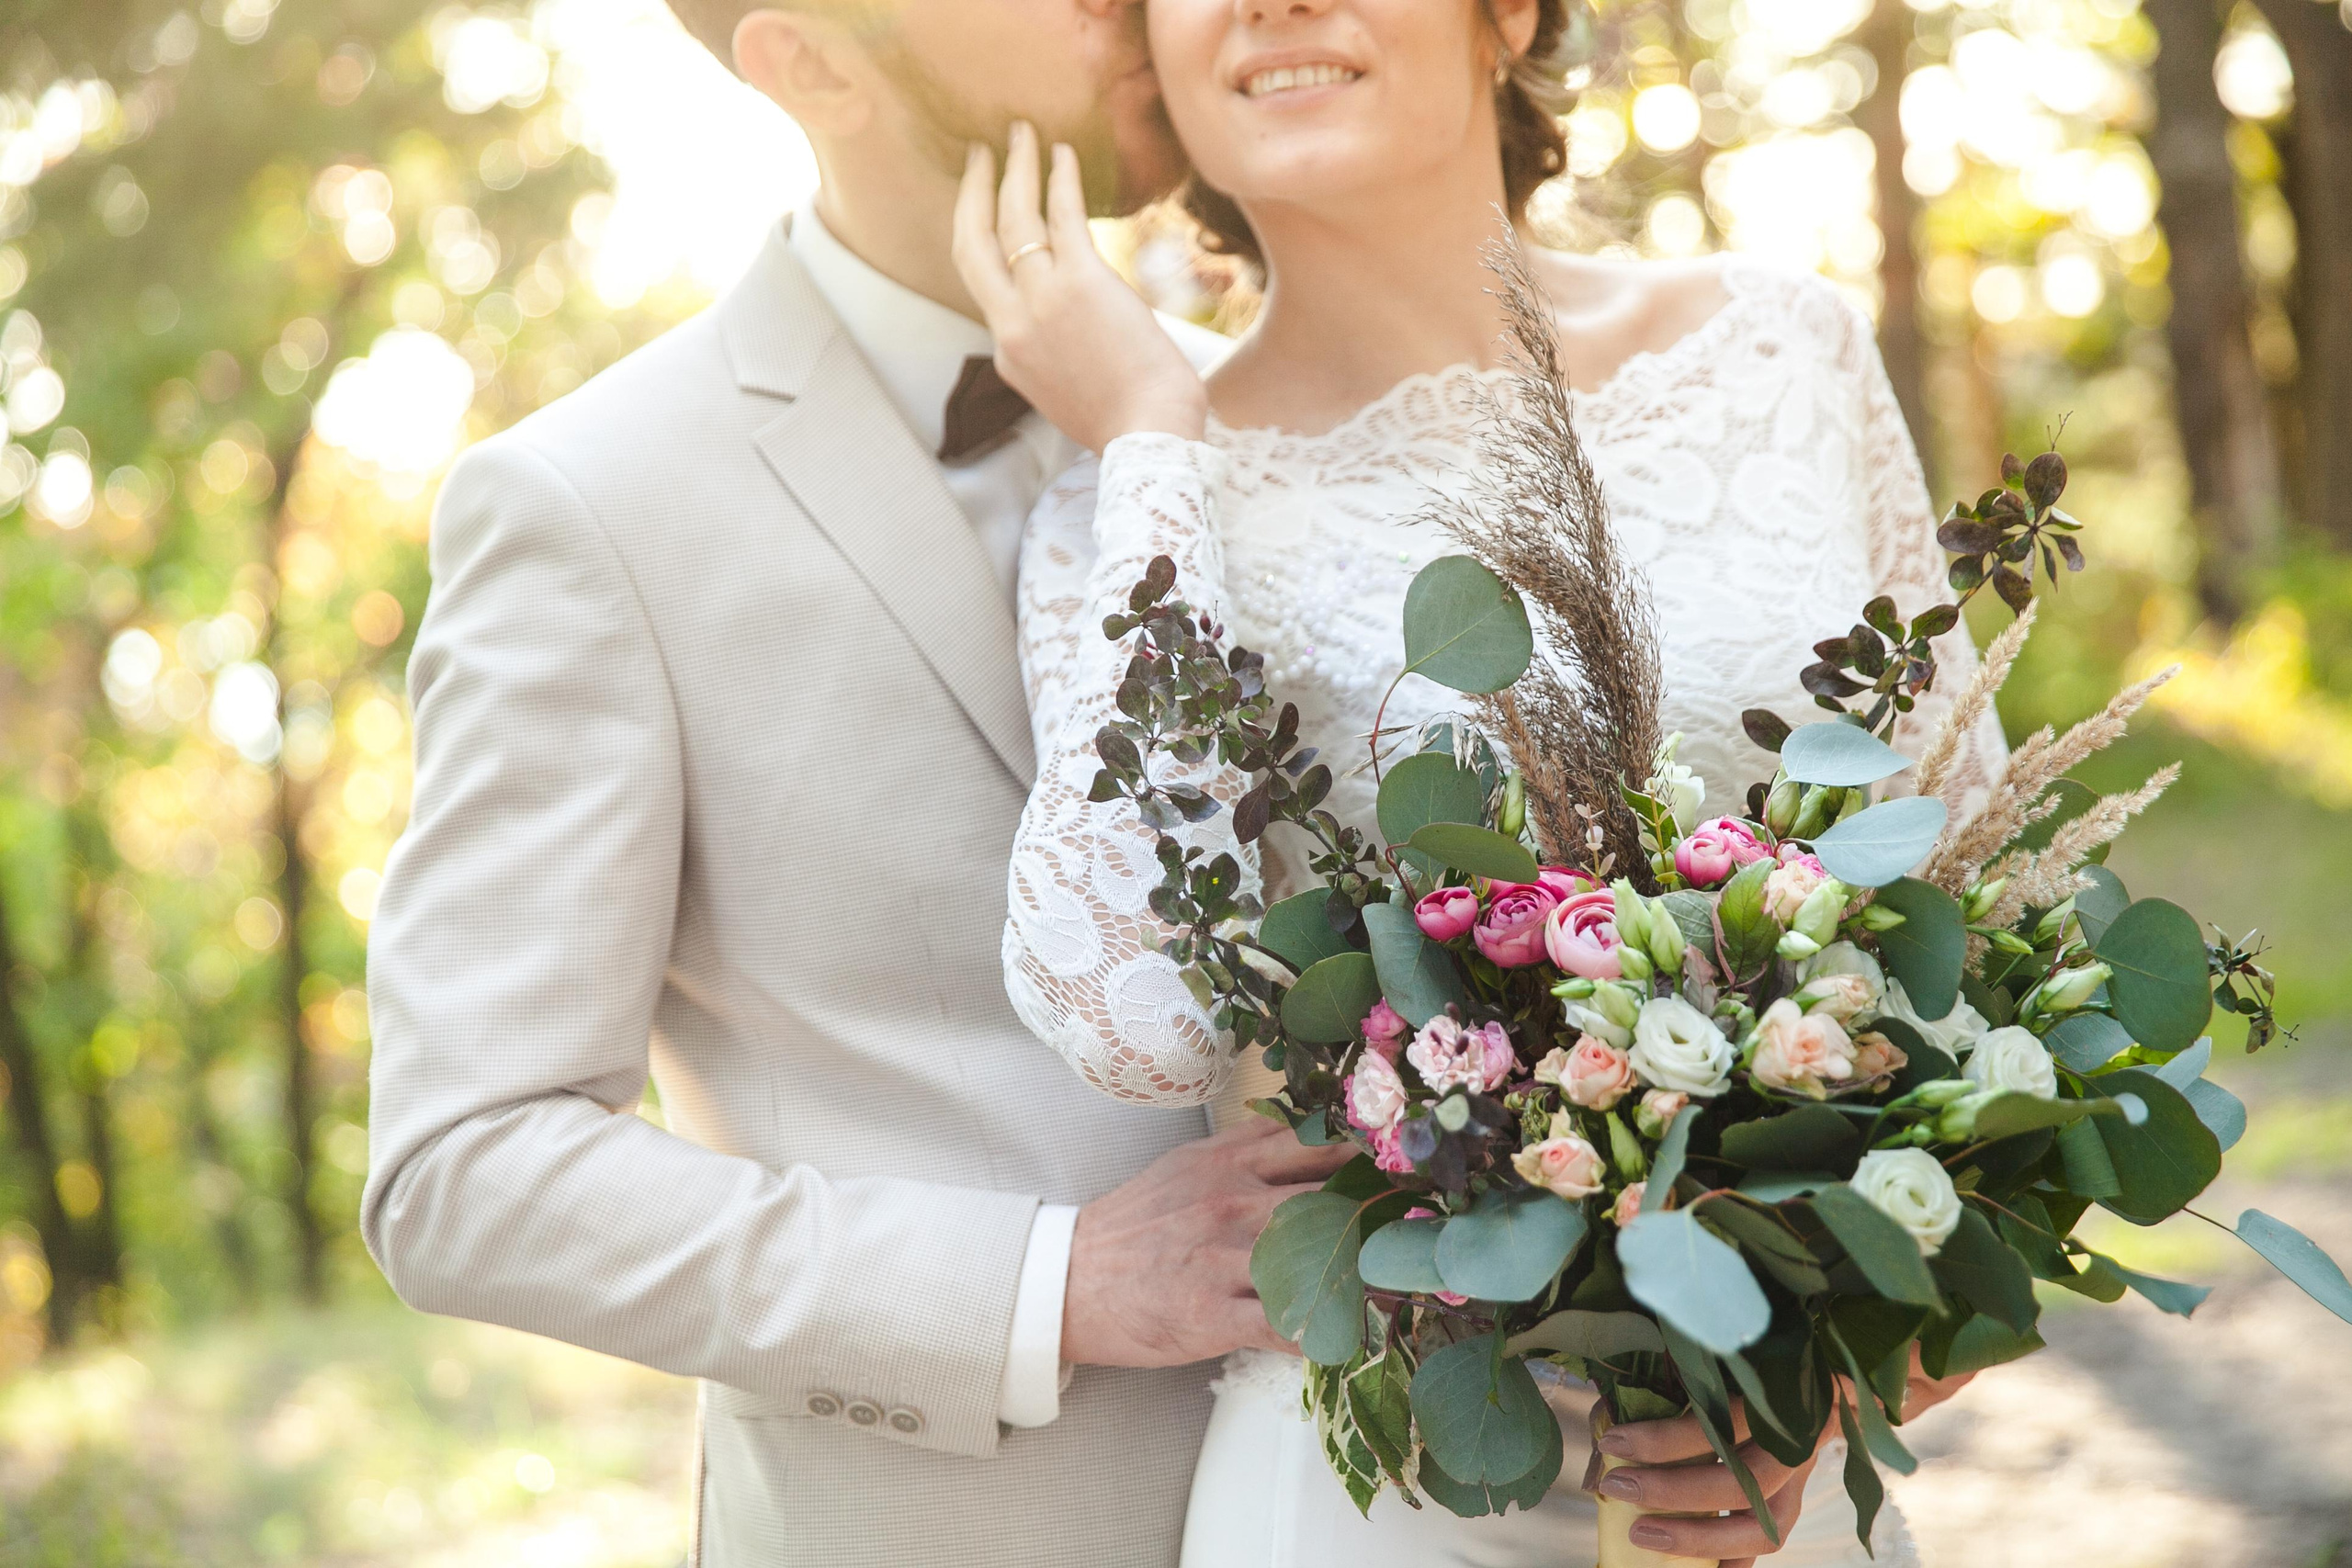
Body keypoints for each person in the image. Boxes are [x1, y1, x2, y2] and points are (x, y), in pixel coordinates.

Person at [967, 1, 2007, 1564]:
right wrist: (1154, 437)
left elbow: (1965, 893)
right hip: (1380, 1481)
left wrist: (1879, 1341)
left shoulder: (1784, 350)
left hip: (1759, 1444)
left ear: (1506, 12)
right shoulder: (1131, 497)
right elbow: (1143, 1020)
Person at [361, 4, 1344, 1565]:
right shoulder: (592, 505)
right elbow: (464, 1171)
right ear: (807, 58)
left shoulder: (1308, 426)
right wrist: (1046, 1283)